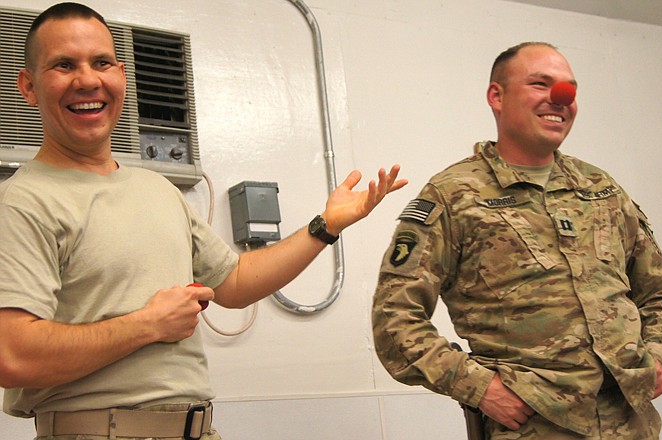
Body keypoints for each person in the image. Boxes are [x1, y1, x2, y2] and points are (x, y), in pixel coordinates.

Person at [0, 3, 407, 439]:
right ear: (29, 86)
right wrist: (148, 324)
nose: (87, 80)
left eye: (101, 62)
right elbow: (14, 355)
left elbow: (234, 282)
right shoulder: (25, 200)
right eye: (64, 65)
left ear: (120, 73)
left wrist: (325, 225)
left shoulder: (156, 189)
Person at [372, 41, 662, 439]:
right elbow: (394, 320)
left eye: (568, 88)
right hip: (533, 427)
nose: (562, 98)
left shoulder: (602, 188)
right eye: (540, 83)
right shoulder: (454, 195)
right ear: (496, 96)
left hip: (631, 427)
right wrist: (480, 388)